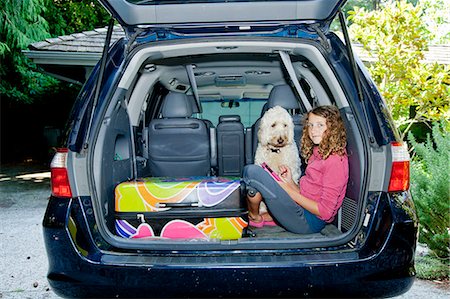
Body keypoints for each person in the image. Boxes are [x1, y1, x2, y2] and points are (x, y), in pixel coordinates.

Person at [244, 105, 349, 234]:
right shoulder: (319, 152)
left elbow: (325, 212)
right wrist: (291, 183)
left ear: (333, 127)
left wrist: (288, 191)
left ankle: (254, 217)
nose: (313, 130)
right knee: (255, 175)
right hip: (302, 210)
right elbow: (309, 194)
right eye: (310, 125)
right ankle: (265, 217)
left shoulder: (335, 160)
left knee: (252, 172)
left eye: (320, 125)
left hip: (307, 222)